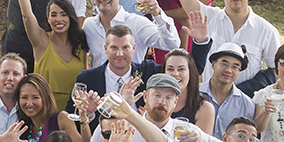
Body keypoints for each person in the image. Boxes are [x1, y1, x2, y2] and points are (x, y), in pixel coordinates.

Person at [180, 0, 281, 85]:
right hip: (210, 100)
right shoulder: (209, 17)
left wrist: (250, 89)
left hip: (246, 102)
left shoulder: (267, 31)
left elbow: (276, 70)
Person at [11, 0, 88, 110]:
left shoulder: (80, 44)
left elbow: (84, 79)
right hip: (46, 111)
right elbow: (27, 15)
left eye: (63, 14)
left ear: (71, 17)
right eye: (54, 15)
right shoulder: (41, 41)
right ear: (48, 18)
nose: (58, 19)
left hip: (74, 112)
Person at [74, 22, 210, 98]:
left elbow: (190, 71)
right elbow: (72, 116)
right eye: (114, 47)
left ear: (134, 48)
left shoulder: (149, 72)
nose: (120, 53)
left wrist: (200, 41)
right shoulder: (87, 79)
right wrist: (89, 114)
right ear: (105, 48)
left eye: (125, 47)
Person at [84, 0, 180, 68]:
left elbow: (172, 44)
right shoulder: (89, 25)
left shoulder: (137, 23)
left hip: (132, 81)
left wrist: (158, 15)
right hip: (98, 82)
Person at [17, 72, 90, 142]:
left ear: (45, 98)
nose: (29, 103)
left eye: (35, 97)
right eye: (24, 97)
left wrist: (83, 119)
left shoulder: (61, 119)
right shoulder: (25, 127)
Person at [201, 42, 255, 139]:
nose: (228, 70)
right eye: (224, 64)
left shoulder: (246, 105)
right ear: (213, 64)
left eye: (235, 67)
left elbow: (246, 141)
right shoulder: (194, 93)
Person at [163, 47, 215, 136]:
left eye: (181, 69)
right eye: (170, 69)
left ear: (190, 72)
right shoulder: (155, 103)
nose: (175, 74)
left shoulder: (204, 108)